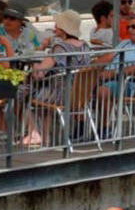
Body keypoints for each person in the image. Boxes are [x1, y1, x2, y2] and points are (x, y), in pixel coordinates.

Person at [21, 10, 90, 147]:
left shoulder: (59, 48)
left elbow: (39, 74)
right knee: (42, 97)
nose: (54, 28)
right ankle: (45, 138)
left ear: (64, 29)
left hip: (60, 95)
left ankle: (34, 132)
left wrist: (34, 62)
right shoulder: (85, 46)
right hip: (81, 95)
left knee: (21, 92)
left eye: (57, 25)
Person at [94, 13, 135, 132]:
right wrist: (91, 66)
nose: (130, 30)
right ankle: (80, 124)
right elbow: (108, 56)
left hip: (126, 83)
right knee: (74, 84)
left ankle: (104, 128)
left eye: (134, 27)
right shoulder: (125, 43)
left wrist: (115, 73)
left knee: (103, 91)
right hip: (105, 77)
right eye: (129, 27)